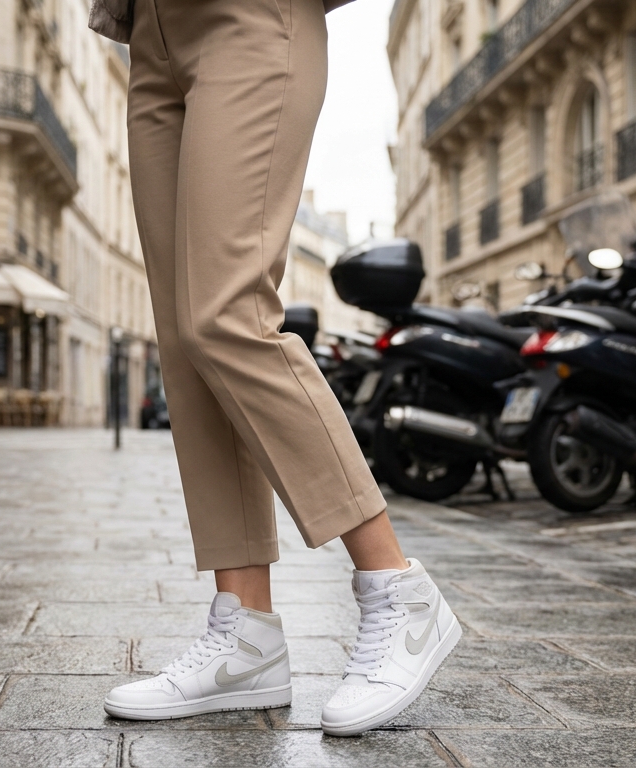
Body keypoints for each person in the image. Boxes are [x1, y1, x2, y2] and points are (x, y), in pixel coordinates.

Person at [92, 0, 458, 736]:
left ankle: (397, 590)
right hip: (148, 34)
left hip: (248, 15)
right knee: (187, 343)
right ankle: (247, 634)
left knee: (226, 316)